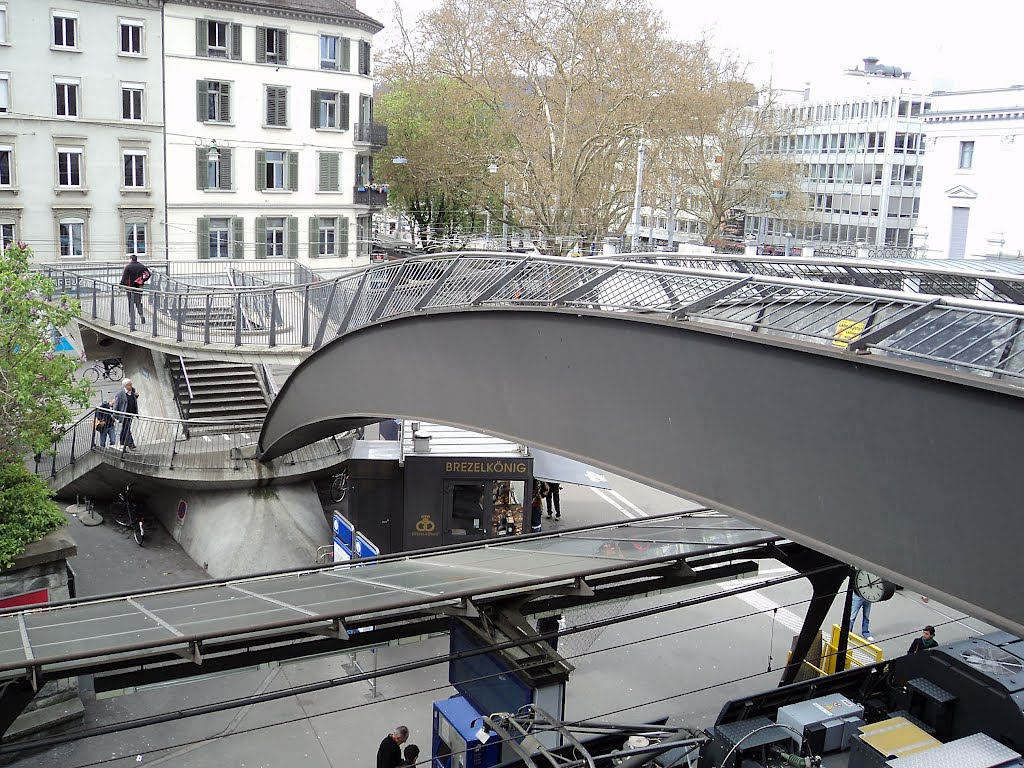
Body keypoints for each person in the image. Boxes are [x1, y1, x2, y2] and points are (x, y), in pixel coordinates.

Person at [120, 254, 149, 324]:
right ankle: (141, 315)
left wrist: (121, 286)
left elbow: (124, 277)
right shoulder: (142, 266)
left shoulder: (128, 267)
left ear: (130, 259)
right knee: (138, 302)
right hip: (139, 287)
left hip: (130, 287)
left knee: (131, 303)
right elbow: (148, 274)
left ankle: (132, 320)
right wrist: (142, 280)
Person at [113, 378, 140, 450]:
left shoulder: (133, 391)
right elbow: (116, 404)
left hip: (131, 414)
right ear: (125, 386)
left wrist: (136, 396)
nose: (131, 386)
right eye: (129, 385)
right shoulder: (119, 394)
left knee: (125, 429)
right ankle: (131, 444)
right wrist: (115, 414)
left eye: (131, 384)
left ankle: (122, 442)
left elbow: (132, 399)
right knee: (127, 428)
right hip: (124, 414)